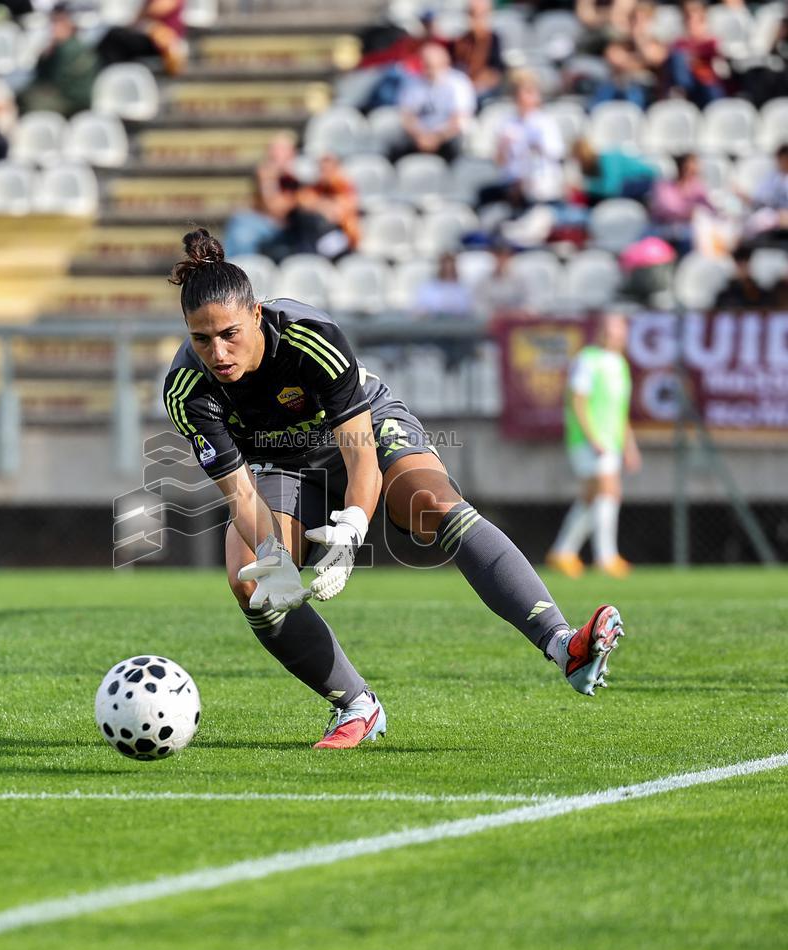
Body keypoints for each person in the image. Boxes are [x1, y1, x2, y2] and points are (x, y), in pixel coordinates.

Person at [162, 228, 625, 749]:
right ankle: (356, 706)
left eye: (230, 333)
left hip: (363, 429)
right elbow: (240, 493)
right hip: (281, 463)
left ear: (256, 315)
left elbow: (360, 452)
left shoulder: (308, 335)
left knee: (433, 504)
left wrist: (353, 528)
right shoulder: (187, 390)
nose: (218, 352)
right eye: (201, 339)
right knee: (251, 582)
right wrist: (275, 557)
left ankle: (565, 646)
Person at [548, 312, 641, 579]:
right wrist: (592, 438)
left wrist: (629, 445)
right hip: (590, 440)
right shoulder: (587, 360)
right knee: (609, 491)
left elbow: (619, 411)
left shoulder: (620, 364)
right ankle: (606, 556)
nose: (614, 335)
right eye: (610, 329)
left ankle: (563, 552)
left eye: (619, 329)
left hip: (610, 440)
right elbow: (577, 401)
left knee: (591, 496)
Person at [391, 41, 476, 163]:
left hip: (448, 138)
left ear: (445, 64)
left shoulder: (459, 83)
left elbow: (459, 119)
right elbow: (406, 116)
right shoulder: (412, 83)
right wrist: (421, 137)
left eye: (433, 65)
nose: (429, 70)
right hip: (418, 138)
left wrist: (436, 138)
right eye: (426, 65)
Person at [489, 69, 565, 206]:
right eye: (519, 92)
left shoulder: (545, 123)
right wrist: (503, 146)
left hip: (539, 184)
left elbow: (554, 155)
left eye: (529, 92)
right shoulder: (506, 123)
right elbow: (499, 162)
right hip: (511, 183)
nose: (523, 97)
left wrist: (534, 145)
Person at [18, 4, 99, 117]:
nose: (54, 27)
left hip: (72, 100)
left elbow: (53, 82)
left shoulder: (69, 48)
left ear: (70, 25)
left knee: (30, 101)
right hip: (67, 95)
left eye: (58, 22)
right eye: (53, 22)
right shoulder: (64, 46)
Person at [97, 0, 187, 76]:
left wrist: (141, 16)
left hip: (161, 44)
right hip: (148, 37)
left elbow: (158, 9)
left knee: (115, 36)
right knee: (113, 41)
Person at [649, 152, 714, 254]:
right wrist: (690, 210)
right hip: (662, 228)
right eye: (689, 166)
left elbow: (710, 208)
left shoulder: (698, 187)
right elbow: (668, 208)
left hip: (687, 231)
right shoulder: (663, 185)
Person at [668, 0, 725, 107]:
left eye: (697, 20)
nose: (691, 24)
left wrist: (693, 59)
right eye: (688, 19)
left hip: (708, 85)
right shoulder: (678, 44)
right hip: (688, 86)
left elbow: (718, 66)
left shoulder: (712, 42)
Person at [451, 0, 505, 104]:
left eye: (480, 15)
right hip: (464, 86)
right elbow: (457, 66)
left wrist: (477, 84)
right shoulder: (461, 41)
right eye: (472, 14)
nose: (476, 19)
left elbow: (495, 71)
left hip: (483, 88)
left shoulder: (493, 39)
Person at [412, 252, 474, 316]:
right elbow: (422, 307)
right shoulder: (428, 287)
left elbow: (466, 307)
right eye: (445, 266)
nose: (448, 269)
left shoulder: (462, 288)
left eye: (451, 267)